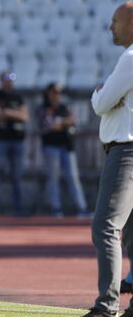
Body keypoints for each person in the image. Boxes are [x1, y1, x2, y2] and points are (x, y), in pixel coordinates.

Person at [71, 1, 133, 317]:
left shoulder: (131, 57)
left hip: (126, 151)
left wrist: (100, 94)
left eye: (115, 21)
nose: (111, 27)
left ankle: (107, 306)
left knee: (106, 226)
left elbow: (102, 102)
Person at [37, 83, 90, 218]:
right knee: (53, 178)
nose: (57, 95)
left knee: (73, 177)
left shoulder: (64, 107)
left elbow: (73, 120)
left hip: (67, 146)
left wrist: (60, 121)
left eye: (59, 92)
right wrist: (63, 122)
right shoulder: (44, 108)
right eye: (54, 92)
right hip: (51, 146)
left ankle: (81, 208)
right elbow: (51, 125)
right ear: (48, 93)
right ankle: (56, 208)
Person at [0, 70, 28, 215]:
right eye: (6, 79)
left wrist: (6, 112)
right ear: (1, 80)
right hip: (0, 140)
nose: (9, 82)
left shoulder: (18, 97)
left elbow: (24, 117)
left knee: (16, 176)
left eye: (11, 79)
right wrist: (14, 113)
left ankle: (18, 209)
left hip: (17, 140)